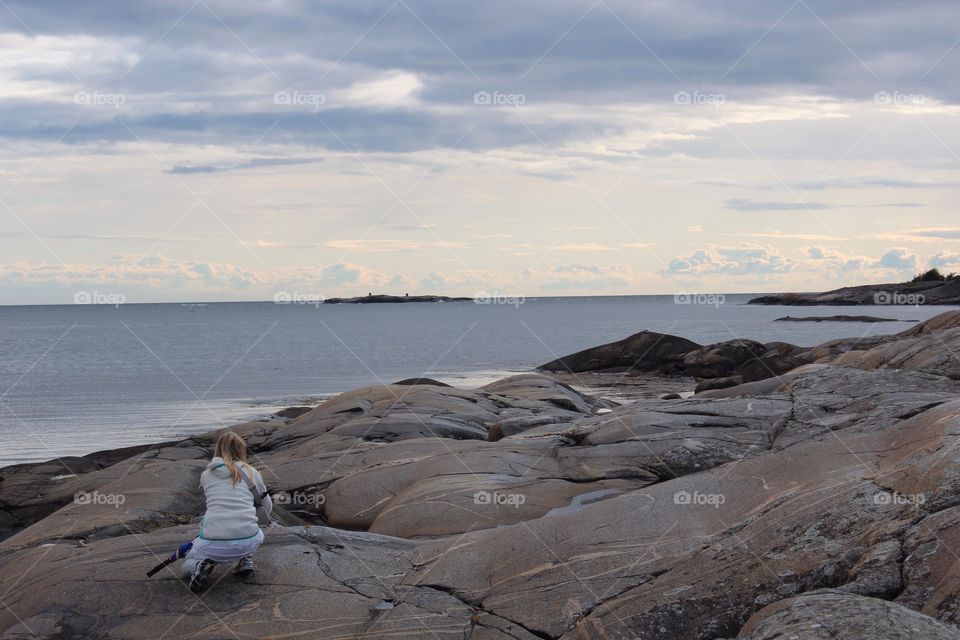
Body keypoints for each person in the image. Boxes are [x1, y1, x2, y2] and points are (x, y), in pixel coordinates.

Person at [181, 431, 272, 592]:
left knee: (184, 566)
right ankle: (245, 560)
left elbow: (213, 504)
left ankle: (198, 565)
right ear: (241, 449)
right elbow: (267, 506)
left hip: (213, 545)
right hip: (249, 540)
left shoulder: (206, 475)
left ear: (218, 449)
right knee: (250, 526)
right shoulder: (252, 472)